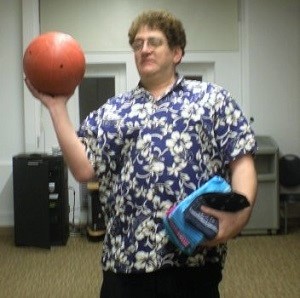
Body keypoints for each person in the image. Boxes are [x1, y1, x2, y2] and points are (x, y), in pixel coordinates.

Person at [25, 9, 257, 298]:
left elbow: (241, 159)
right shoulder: (113, 110)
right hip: (126, 260)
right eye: (137, 44)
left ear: (176, 53)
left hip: (192, 257)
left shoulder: (213, 99)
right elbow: (84, 170)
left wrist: (241, 215)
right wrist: (57, 108)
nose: (144, 49)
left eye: (154, 42)